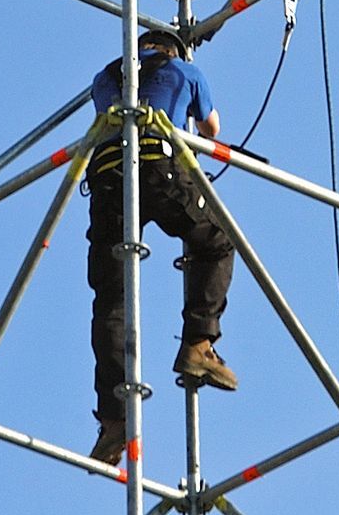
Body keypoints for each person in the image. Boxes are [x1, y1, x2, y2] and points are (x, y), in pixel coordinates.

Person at [85, 28, 238, 465]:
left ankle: (114, 419)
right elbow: (211, 129)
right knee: (216, 242)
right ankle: (198, 345)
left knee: (111, 299)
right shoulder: (184, 69)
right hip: (158, 165)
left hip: (107, 179)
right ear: (174, 49)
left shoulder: (104, 77)